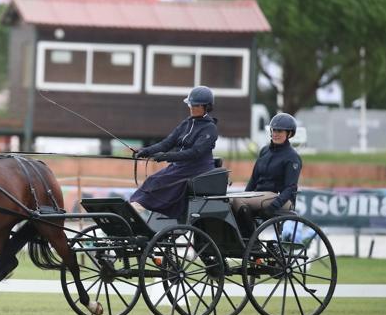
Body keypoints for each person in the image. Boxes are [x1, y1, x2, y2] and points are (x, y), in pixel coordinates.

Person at [130, 86, 219, 220]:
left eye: (194, 105)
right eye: (190, 105)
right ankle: (135, 207)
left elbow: (194, 153)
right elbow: (167, 143)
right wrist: (145, 151)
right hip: (181, 167)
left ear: (204, 106)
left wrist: (166, 157)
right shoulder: (186, 124)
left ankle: (138, 208)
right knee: (152, 179)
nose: (191, 108)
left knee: (160, 181)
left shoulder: (210, 128)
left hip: (197, 170)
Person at [231, 113, 303, 236]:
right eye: (274, 130)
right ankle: (239, 239)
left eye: (280, 131)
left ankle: (252, 240)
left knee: (238, 201)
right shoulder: (264, 151)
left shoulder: (292, 157)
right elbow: (253, 180)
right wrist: (244, 195)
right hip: (260, 195)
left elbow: (291, 188)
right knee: (230, 201)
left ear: (289, 134)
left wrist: (274, 206)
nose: (275, 133)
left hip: (280, 198)